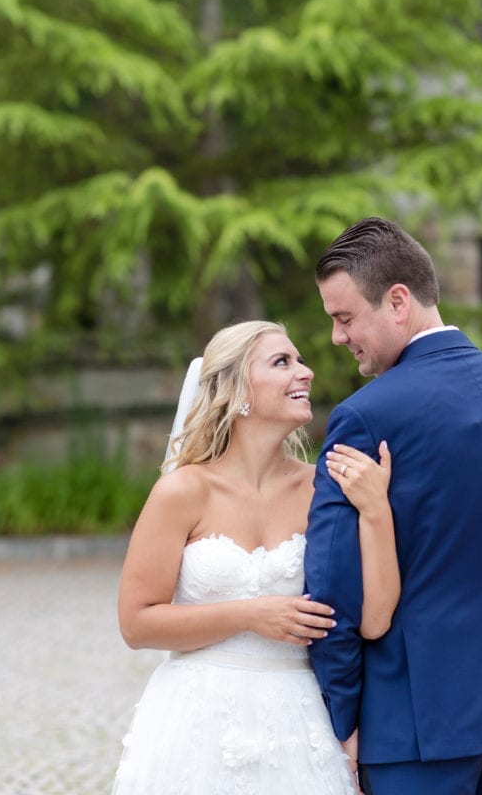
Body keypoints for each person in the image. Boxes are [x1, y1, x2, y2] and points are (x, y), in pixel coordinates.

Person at [304, 217, 482, 795]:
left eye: (345, 318)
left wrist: (341, 717)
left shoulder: (364, 418)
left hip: (417, 720)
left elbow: (333, 589)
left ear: (397, 301)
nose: (336, 337)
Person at [110, 319, 400, 795]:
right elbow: (136, 624)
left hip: (299, 721)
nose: (305, 372)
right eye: (282, 362)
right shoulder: (183, 491)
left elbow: (374, 617)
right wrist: (249, 615)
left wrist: (376, 511)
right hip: (195, 725)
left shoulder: (323, 488)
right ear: (237, 389)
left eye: (300, 360)